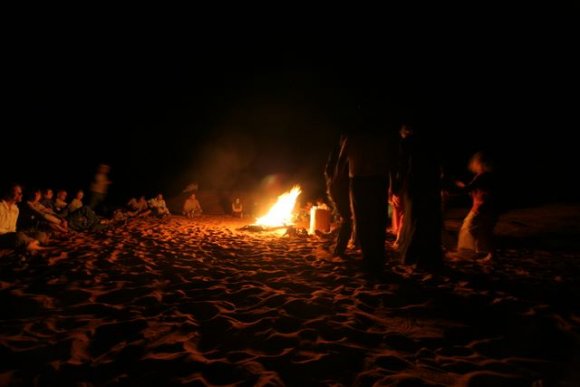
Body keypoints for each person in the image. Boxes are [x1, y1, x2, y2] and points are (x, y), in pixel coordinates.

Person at [340, 125, 395, 272]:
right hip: (378, 180)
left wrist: (339, 180)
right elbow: (392, 162)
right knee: (377, 219)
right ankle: (376, 257)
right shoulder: (381, 137)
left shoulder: (352, 137)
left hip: (361, 180)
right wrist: (393, 183)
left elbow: (341, 160)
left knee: (364, 219)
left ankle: (370, 257)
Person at [395, 123, 443, 269]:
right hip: (432, 183)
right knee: (429, 218)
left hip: (415, 182)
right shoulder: (433, 141)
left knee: (415, 218)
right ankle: (429, 257)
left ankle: (414, 257)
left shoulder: (407, 142)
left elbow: (402, 165)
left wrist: (397, 187)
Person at [455, 151, 499, 261]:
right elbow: (477, 191)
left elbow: (469, 189)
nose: (474, 165)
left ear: (480, 163)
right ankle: (489, 254)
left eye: (476, 163)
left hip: (482, 208)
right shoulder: (488, 176)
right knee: (484, 231)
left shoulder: (482, 176)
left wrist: (456, 186)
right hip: (490, 208)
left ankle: (467, 252)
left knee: (468, 227)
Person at [325, 134, 352, 257]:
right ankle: (338, 246)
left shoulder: (339, 151)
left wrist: (331, 182)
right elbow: (329, 170)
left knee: (345, 217)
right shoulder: (340, 151)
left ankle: (339, 249)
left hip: (338, 185)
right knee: (345, 217)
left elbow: (328, 170)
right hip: (340, 185)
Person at [0, 183, 44, 251]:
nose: (21, 194)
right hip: (2, 236)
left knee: (40, 235)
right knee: (19, 237)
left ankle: (28, 244)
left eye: (21, 192)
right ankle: (40, 248)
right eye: (18, 192)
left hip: (12, 235)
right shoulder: (1, 207)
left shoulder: (15, 209)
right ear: (8, 192)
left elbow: (13, 229)